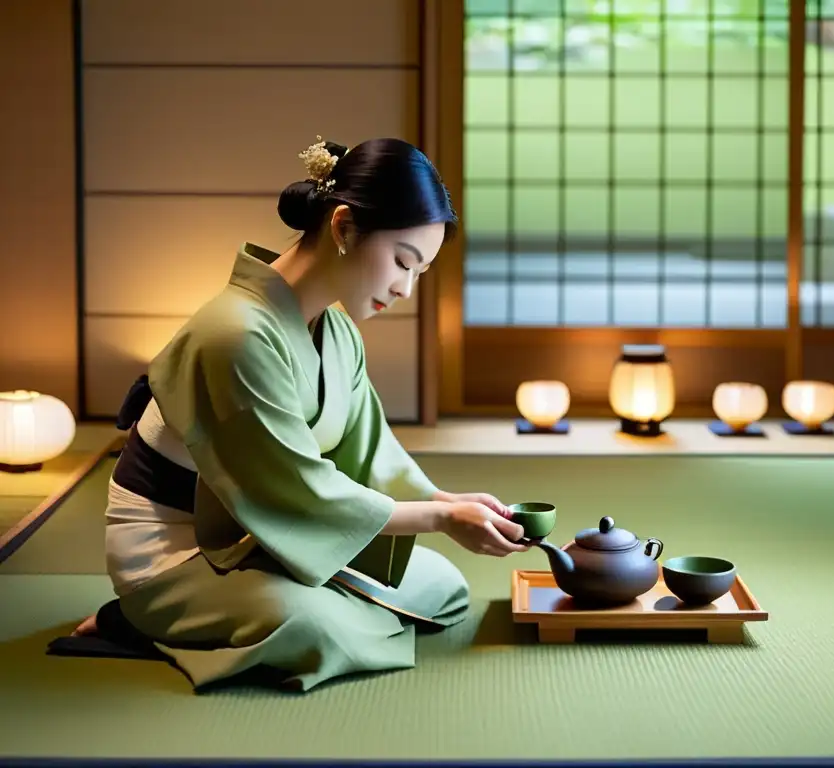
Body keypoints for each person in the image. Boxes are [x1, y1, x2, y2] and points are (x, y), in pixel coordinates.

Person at [70, 136, 528, 692]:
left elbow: (371, 456)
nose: (407, 288)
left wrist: (446, 502)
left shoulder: (337, 334)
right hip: (182, 550)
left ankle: (288, 602)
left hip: (260, 533)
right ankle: (138, 618)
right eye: (403, 261)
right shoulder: (231, 334)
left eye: (421, 271)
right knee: (315, 627)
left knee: (442, 587)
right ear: (343, 227)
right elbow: (295, 488)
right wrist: (437, 521)